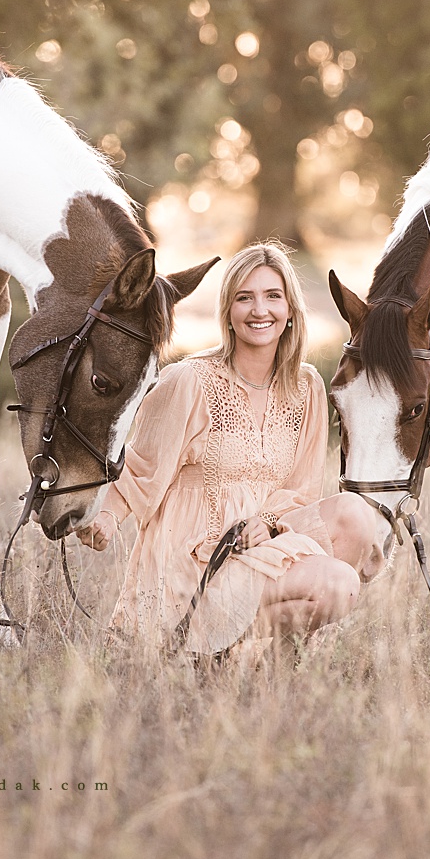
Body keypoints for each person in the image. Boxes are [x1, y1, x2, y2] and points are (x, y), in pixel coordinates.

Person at [76, 241, 389, 657]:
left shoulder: (307, 387)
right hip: (197, 562)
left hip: (259, 546)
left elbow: (301, 491)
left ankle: (263, 661)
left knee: (355, 514)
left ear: (290, 310)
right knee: (339, 583)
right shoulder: (189, 381)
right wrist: (106, 517)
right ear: (227, 311)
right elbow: (140, 469)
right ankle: (190, 644)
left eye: (273, 296)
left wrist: (268, 522)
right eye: (245, 298)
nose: (260, 310)